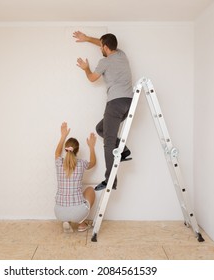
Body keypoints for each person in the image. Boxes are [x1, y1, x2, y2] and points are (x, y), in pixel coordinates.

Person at [73, 31, 133, 191]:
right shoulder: (122, 54)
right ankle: (124, 150)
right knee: (100, 129)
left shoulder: (104, 62)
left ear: (105, 48)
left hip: (115, 103)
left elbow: (92, 78)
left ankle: (110, 180)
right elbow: (103, 43)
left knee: (108, 143)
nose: (100, 47)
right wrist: (86, 39)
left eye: (101, 46)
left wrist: (86, 68)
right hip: (128, 103)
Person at [54, 122, 97, 233]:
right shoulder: (81, 164)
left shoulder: (59, 163)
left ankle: (66, 220)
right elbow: (93, 162)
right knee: (90, 190)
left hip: (59, 212)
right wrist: (91, 147)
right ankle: (81, 224)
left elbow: (57, 153)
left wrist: (63, 135)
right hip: (78, 212)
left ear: (66, 149)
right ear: (77, 150)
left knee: (76, 197)